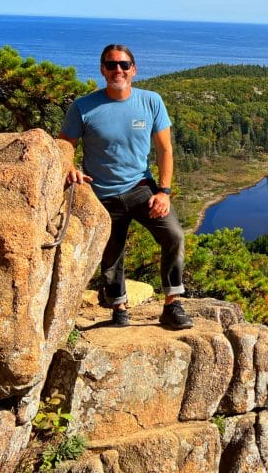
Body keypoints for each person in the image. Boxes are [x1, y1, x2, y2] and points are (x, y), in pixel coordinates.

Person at [59, 44, 193, 329]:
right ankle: (118, 306)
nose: (117, 70)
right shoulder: (83, 107)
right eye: (111, 65)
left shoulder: (151, 101)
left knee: (174, 236)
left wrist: (164, 192)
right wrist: (69, 166)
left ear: (134, 69)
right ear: (102, 70)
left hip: (141, 188)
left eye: (123, 64)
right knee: (111, 253)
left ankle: (172, 304)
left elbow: (165, 150)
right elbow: (64, 145)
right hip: (101, 193)